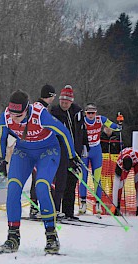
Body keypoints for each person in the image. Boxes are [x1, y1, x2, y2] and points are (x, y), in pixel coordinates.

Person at [0, 90, 81, 254]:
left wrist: (72, 156)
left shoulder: (40, 114)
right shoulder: (6, 116)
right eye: (12, 114)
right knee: (13, 188)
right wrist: (2, 160)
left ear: (26, 110)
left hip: (47, 151)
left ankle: (51, 236)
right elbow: (2, 136)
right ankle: (13, 237)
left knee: (42, 187)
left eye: (19, 116)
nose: (14, 119)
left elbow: (63, 131)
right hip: (23, 152)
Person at [50, 85, 89, 220]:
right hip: (60, 153)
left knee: (71, 182)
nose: (64, 103)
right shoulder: (54, 112)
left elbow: (82, 130)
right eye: (62, 101)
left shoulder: (77, 112)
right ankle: (55, 210)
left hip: (75, 153)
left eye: (66, 101)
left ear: (71, 101)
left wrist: (85, 146)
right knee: (59, 182)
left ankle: (68, 211)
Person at [79, 103, 121, 216]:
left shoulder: (100, 119)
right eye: (89, 113)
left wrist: (118, 126)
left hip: (96, 151)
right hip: (85, 151)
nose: (91, 115)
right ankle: (82, 203)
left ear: (96, 113)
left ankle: (97, 203)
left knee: (97, 178)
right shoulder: (82, 121)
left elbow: (111, 125)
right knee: (83, 177)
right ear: (85, 113)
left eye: (93, 112)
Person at [29, 84, 56, 219]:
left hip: (40, 148)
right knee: (38, 179)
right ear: (50, 96)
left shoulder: (40, 107)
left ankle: (39, 207)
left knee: (42, 179)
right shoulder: (40, 109)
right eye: (53, 97)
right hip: (36, 149)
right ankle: (34, 207)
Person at [111, 147, 138, 216]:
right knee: (119, 185)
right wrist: (115, 205)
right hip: (125, 160)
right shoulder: (119, 163)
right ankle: (116, 207)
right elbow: (116, 184)